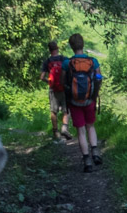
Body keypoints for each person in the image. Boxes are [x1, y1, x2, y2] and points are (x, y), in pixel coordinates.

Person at [61, 32, 103, 171]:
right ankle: (95, 152)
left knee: (80, 130)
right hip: (89, 100)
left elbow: (63, 82)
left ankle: (87, 161)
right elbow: (98, 78)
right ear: (82, 44)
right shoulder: (93, 62)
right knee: (90, 126)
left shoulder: (67, 63)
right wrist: (94, 95)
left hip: (74, 102)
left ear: (71, 46)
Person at [42, 40, 68, 142]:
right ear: (57, 48)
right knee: (66, 110)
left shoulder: (47, 61)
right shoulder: (63, 59)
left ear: (49, 50)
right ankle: (64, 127)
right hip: (64, 88)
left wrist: (49, 82)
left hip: (53, 89)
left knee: (54, 111)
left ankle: (56, 132)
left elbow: (42, 77)